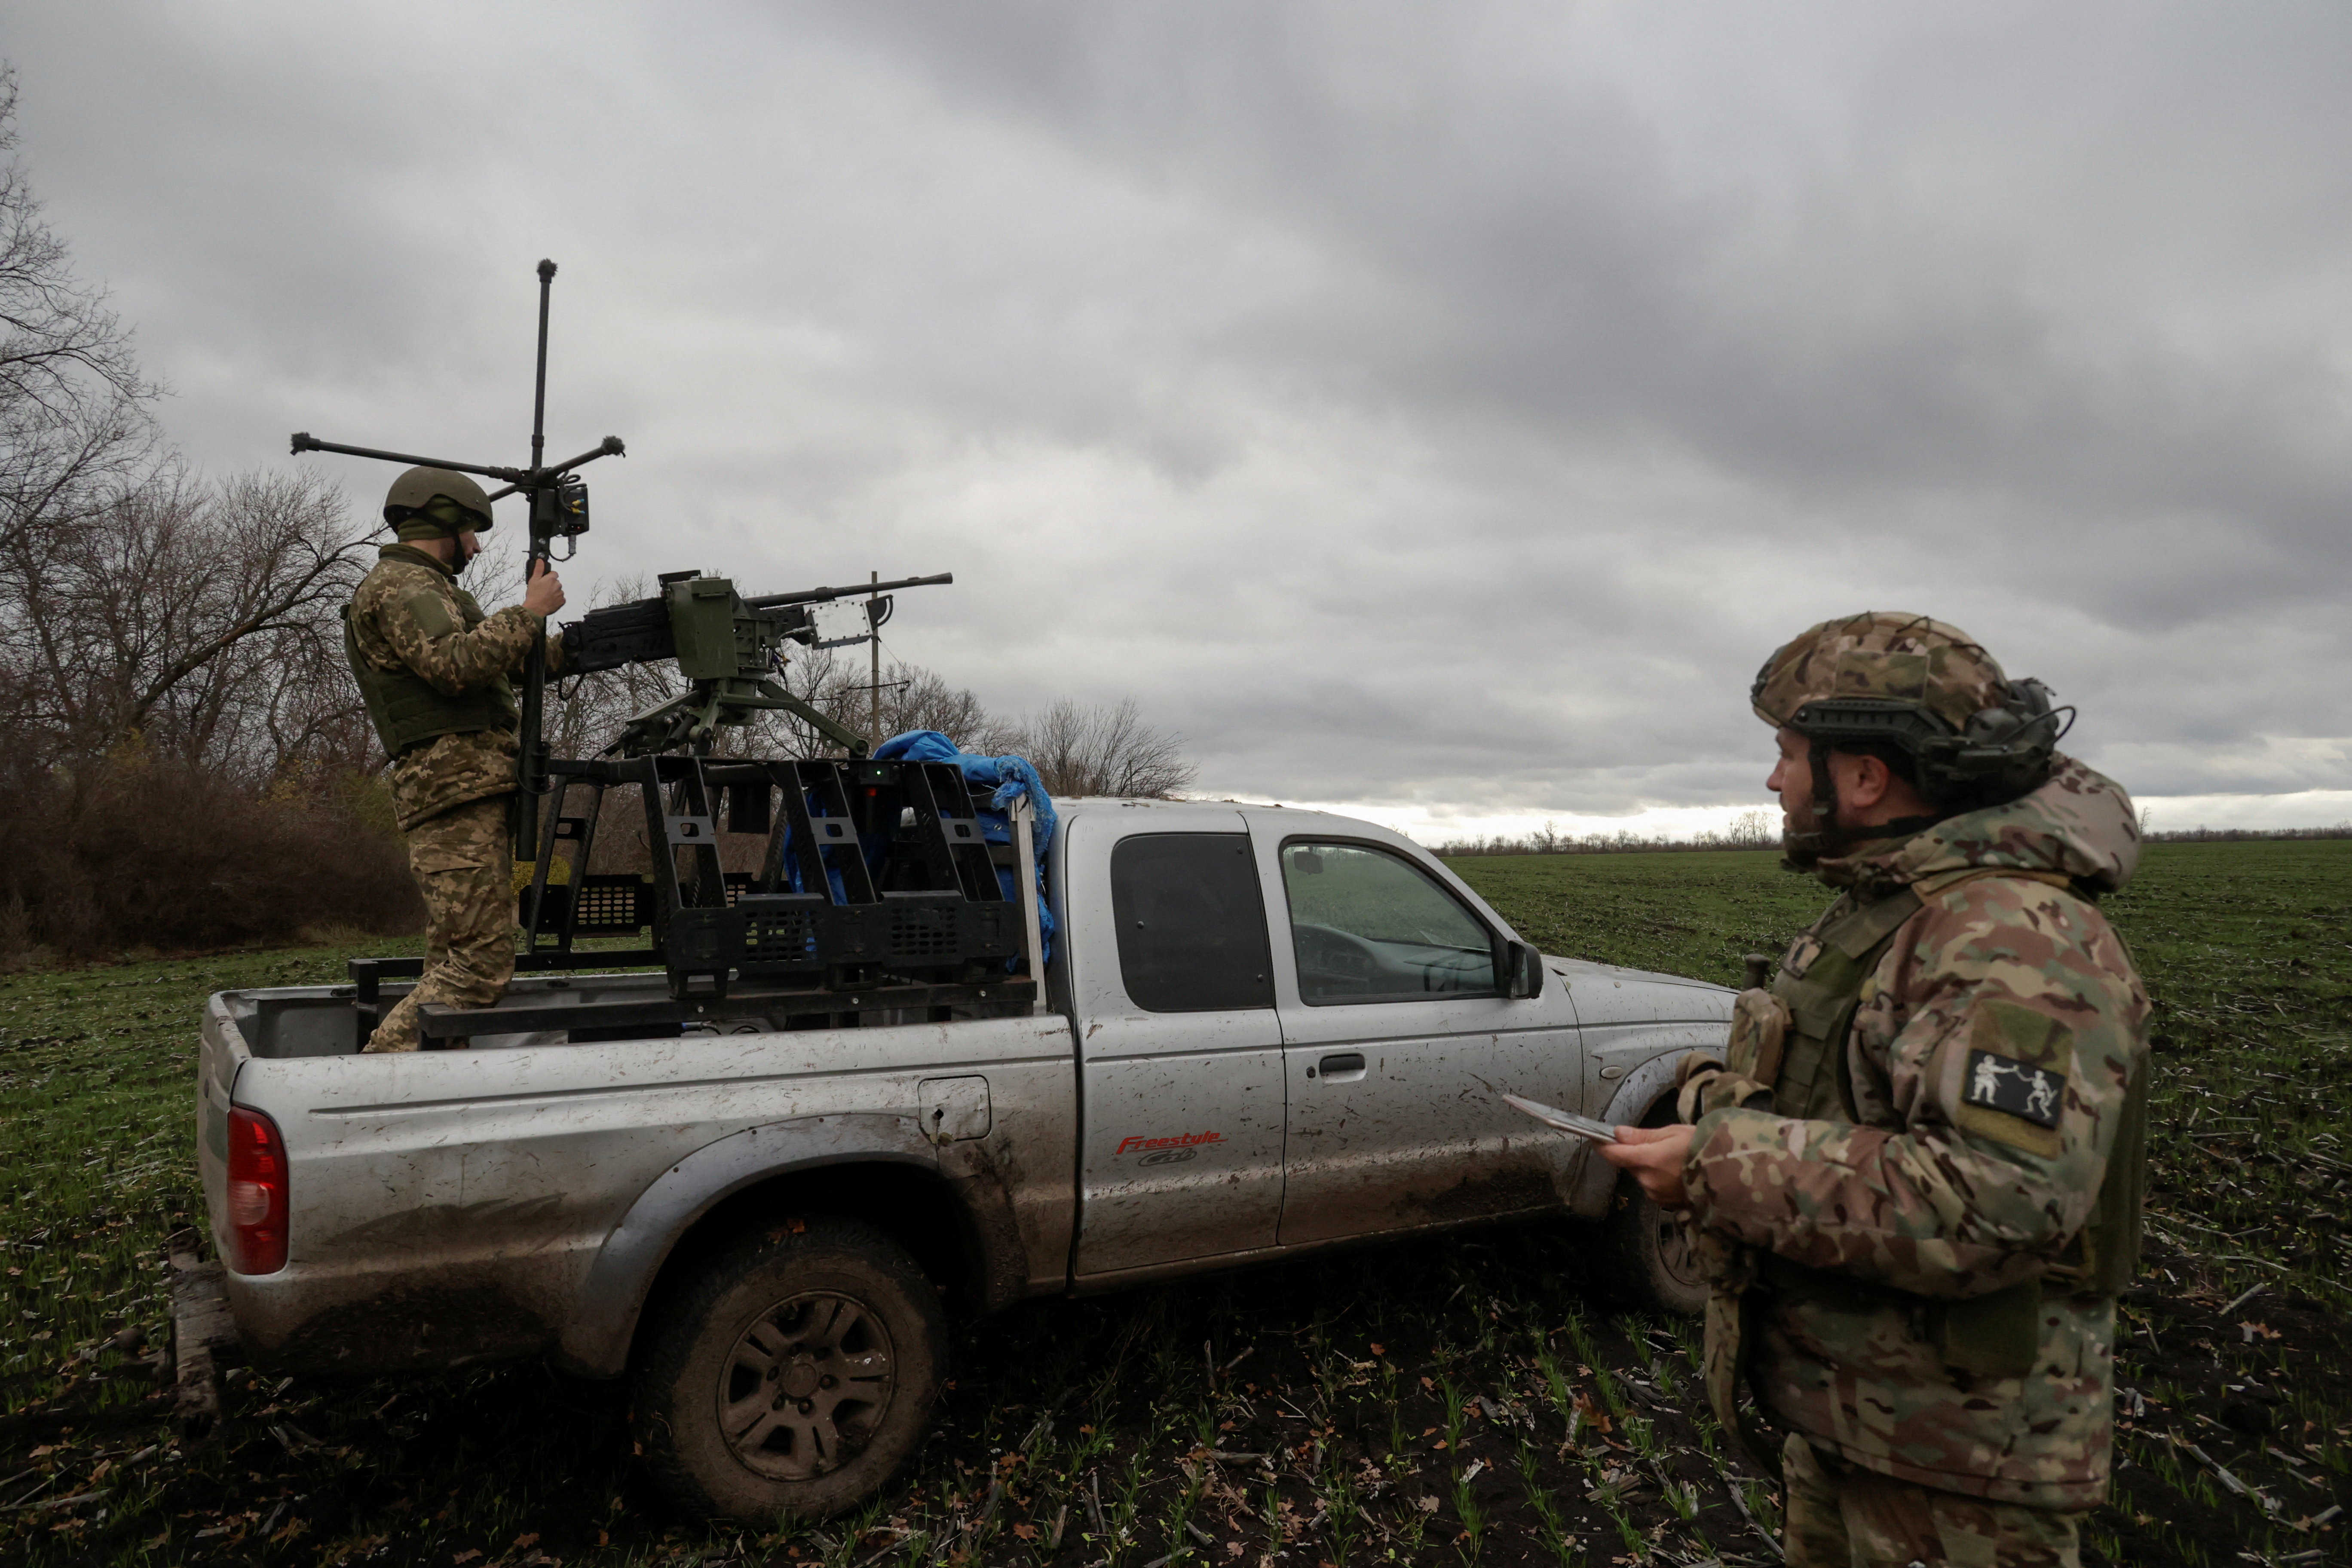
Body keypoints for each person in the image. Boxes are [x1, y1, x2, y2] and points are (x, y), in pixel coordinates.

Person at [1602, 612, 2149, 1568]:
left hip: (1960, 1472)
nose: (1773, 780)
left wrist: (1720, 1164)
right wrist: (1716, 1101)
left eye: (1787, 753)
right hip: (1870, 1427)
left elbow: (1991, 1202)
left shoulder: (2009, 938)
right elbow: (1848, 1105)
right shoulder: (1900, 911)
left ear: (1865, 775)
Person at [344, 466, 567, 1054]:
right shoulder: (402, 587)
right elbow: (455, 666)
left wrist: (597, 642)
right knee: (476, 966)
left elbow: (510, 665)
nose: (476, 544)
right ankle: (369, 1091)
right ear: (442, 521)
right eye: (470, 531)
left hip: (467, 789)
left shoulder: (431, 589)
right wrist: (529, 610)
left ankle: (424, 1087)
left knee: (457, 955)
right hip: (453, 790)